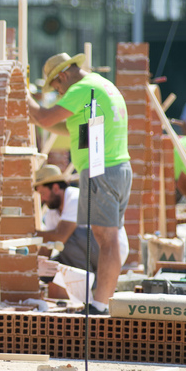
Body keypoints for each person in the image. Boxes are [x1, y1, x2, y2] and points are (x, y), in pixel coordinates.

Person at [26, 52, 130, 315]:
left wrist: (20, 93)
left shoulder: (82, 88)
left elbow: (45, 118)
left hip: (101, 170)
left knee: (106, 239)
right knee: (110, 238)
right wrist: (40, 118)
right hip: (117, 167)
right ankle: (102, 302)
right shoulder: (100, 85)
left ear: (62, 76)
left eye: (56, 87)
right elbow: (72, 129)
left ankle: (99, 306)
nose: (58, 93)